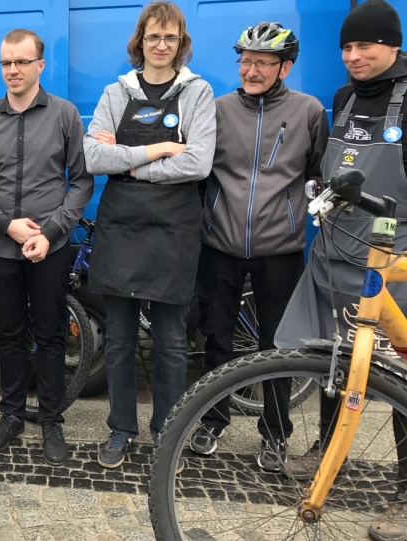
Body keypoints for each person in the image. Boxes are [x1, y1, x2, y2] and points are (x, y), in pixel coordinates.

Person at [273, 1, 407, 536]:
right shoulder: (344, 98)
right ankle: (331, 449)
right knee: (331, 361)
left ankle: (405, 489)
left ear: (393, 45)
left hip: (390, 261)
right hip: (334, 253)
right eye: (347, 47)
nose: (354, 56)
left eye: (365, 46)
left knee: (398, 374)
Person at [188, 22, 328, 471]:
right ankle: (213, 419)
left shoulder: (308, 111)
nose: (251, 70)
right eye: (245, 61)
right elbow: (200, 169)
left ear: (285, 67)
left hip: (280, 248)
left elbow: (316, 174)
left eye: (262, 63)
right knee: (217, 339)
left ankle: (274, 433)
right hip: (221, 244)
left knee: (277, 346)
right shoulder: (219, 108)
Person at [83, 0, 215, 469]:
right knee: (118, 340)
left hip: (173, 232)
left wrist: (131, 162)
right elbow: (93, 158)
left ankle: (167, 431)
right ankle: (120, 429)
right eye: (153, 36)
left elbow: (198, 162)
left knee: (171, 342)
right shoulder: (116, 92)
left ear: (181, 44)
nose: (161, 45)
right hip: (122, 231)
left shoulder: (198, 93)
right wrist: (159, 148)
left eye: (171, 37)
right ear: (140, 42)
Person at [0, 28, 93, 466]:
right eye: (6, 62)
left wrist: (50, 232)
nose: (13, 70)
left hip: (50, 248)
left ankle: (52, 420)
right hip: (0, 247)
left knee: (51, 334)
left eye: (22, 61)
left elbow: (80, 181)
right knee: (9, 333)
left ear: (40, 65)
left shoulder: (65, 114)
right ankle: (12, 414)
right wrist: (7, 225)